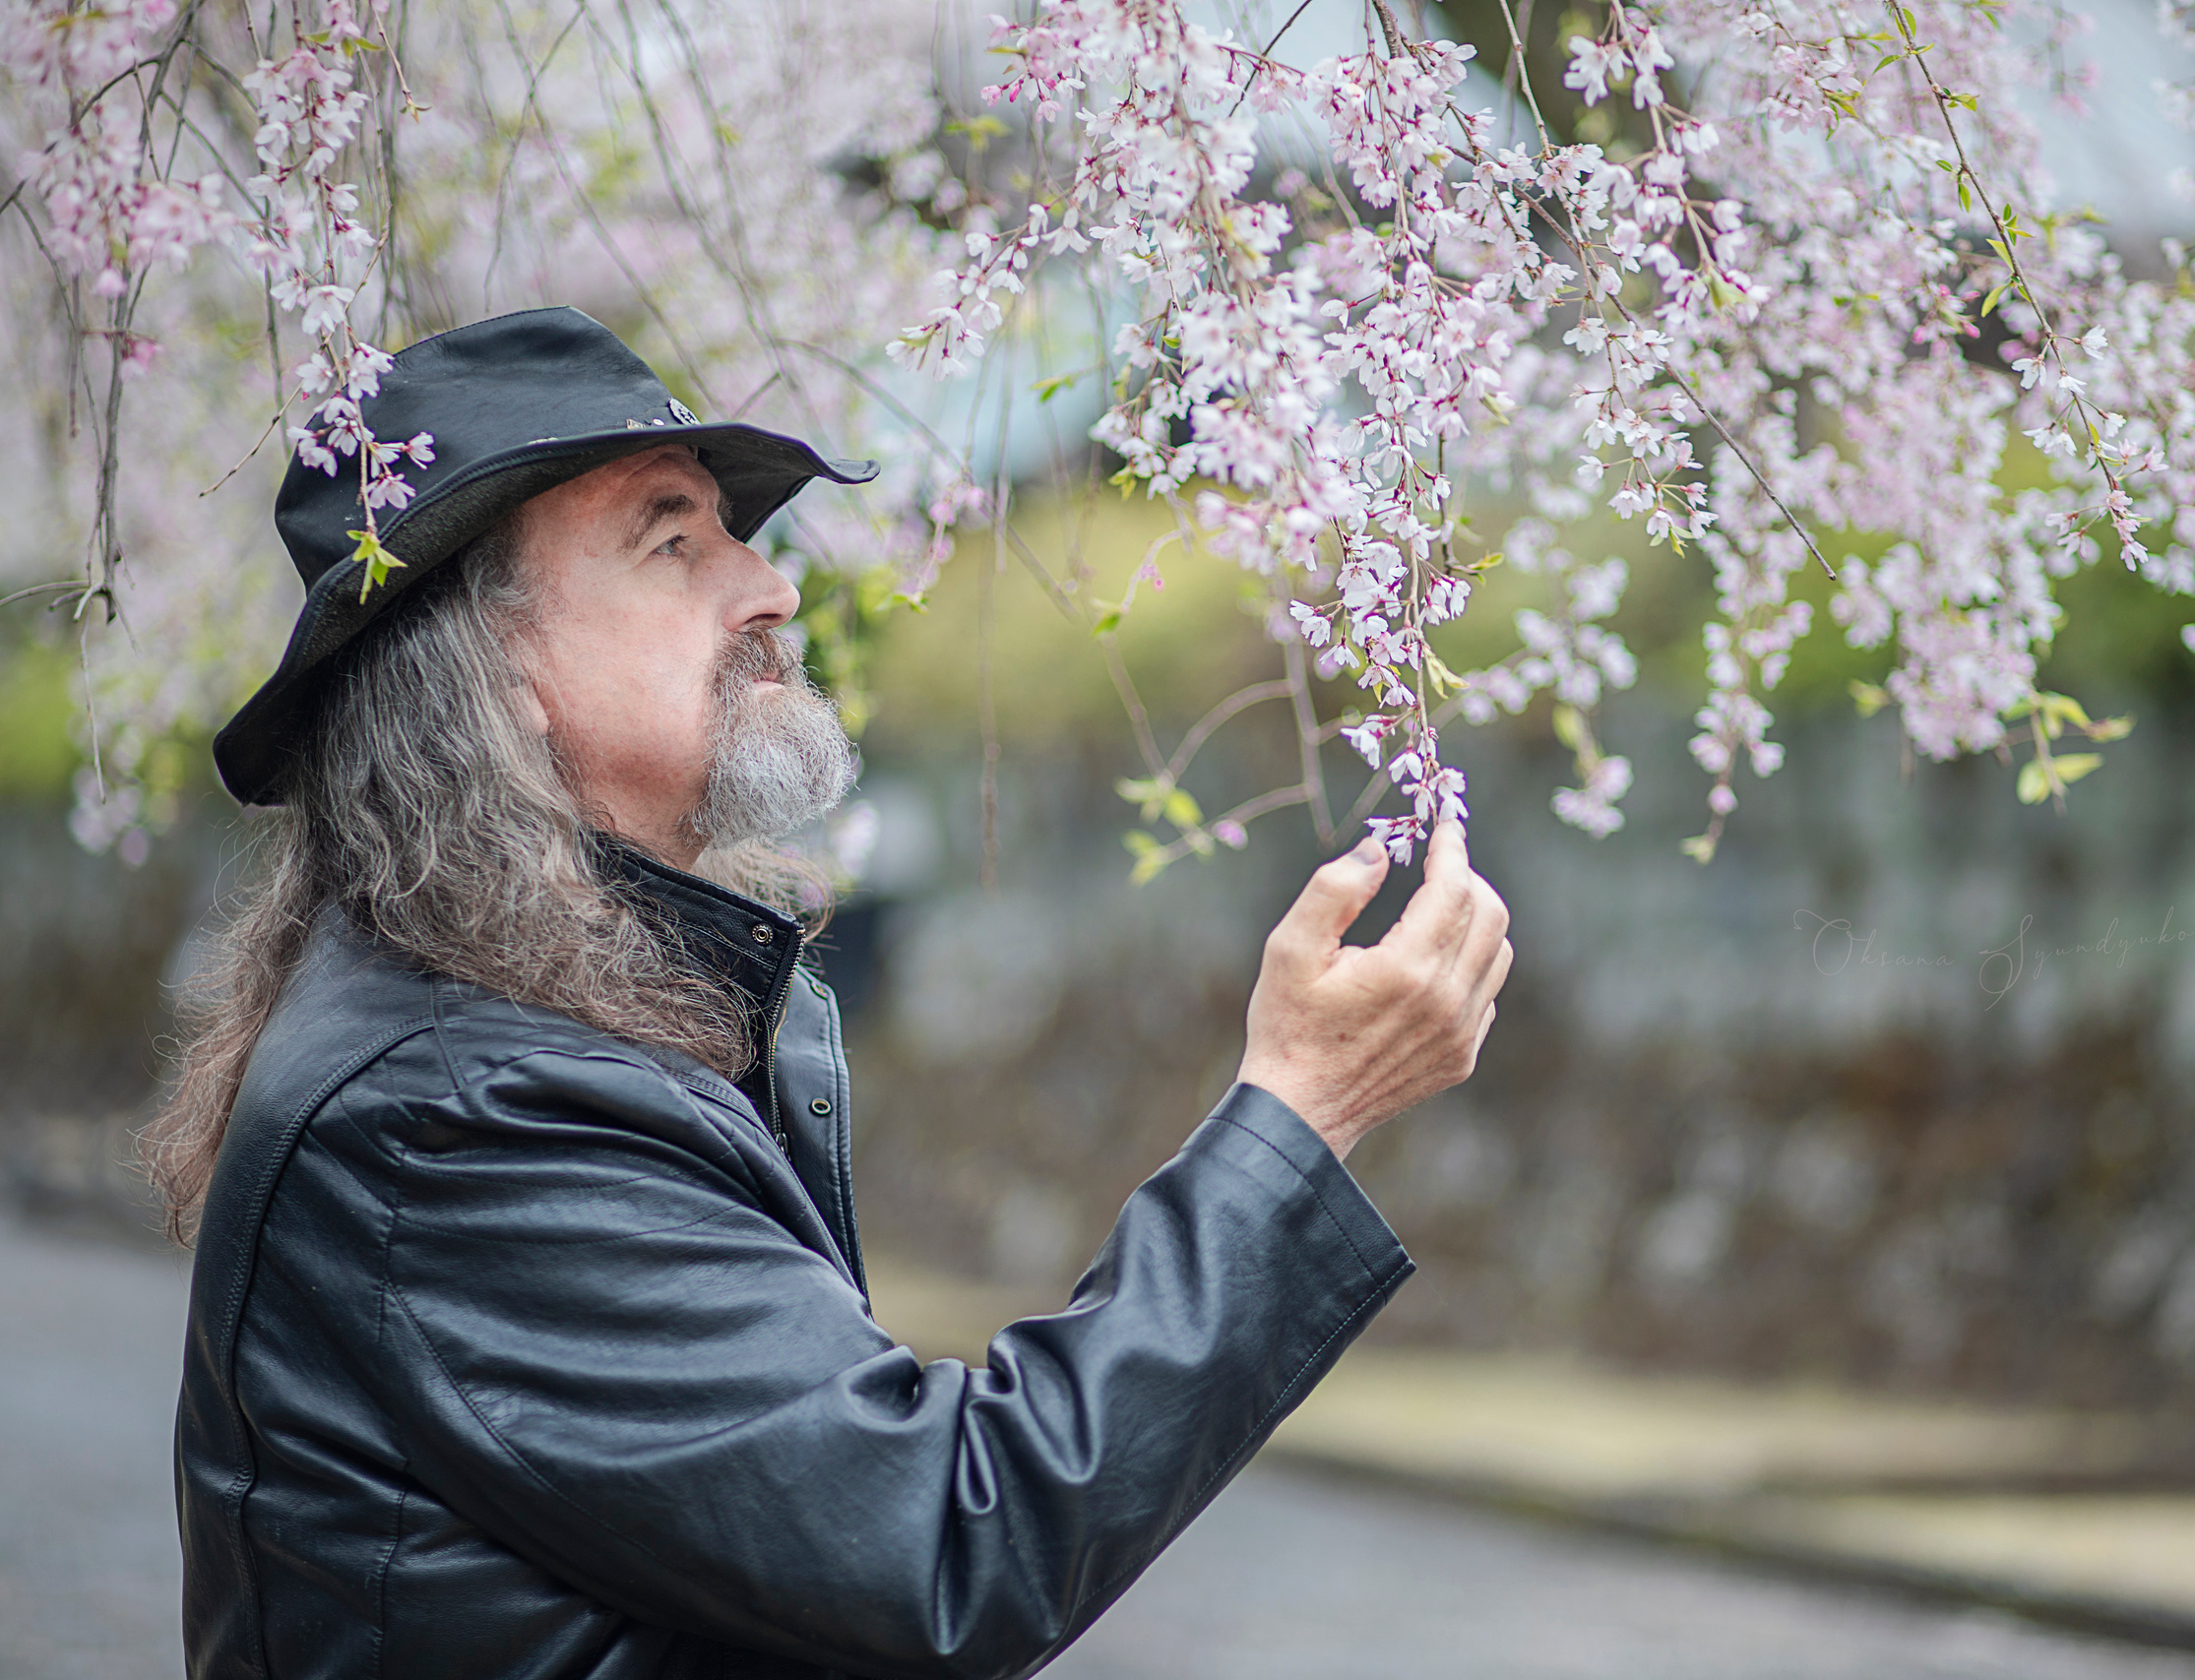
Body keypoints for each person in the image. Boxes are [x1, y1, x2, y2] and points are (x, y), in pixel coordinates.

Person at [155, 305, 1513, 1679]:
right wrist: (1298, 1111)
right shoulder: (461, 1114)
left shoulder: (525, 1023)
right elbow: (944, 1538)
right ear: (501, 676)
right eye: (672, 541)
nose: (771, 587)